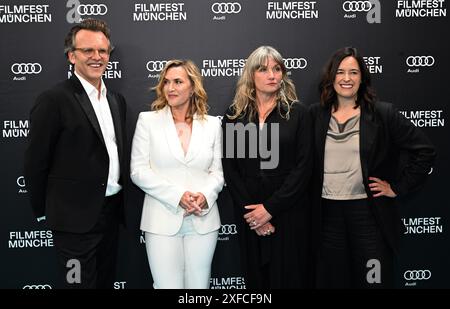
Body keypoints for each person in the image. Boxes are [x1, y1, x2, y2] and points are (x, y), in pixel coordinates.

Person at [310, 47, 436, 288]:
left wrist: (398, 187)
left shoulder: (382, 113)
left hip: (369, 216)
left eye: (353, 72)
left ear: (362, 78)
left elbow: (425, 151)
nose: (347, 78)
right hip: (327, 217)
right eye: (341, 72)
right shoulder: (315, 115)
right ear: (331, 77)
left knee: (373, 282)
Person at [24, 18, 127, 289]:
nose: (97, 57)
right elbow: (36, 162)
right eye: (88, 51)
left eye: (103, 51)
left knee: (105, 282)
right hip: (73, 221)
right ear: (72, 56)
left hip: (111, 213)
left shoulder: (116, 100)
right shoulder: (54, 99)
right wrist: (45, 211)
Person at [221, 46, 312, 288]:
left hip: (288, 214)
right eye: (263, 69)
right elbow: (230, 169)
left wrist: (270, 209)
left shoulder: (298, 114)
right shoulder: (234, 116)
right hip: (249, 216)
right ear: (251, 75)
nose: (272, 75)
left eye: (277, 69)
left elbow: (304, 168)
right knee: (256, 282)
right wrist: (254, 216)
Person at [130, 59, 224, 289]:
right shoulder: (148, 121)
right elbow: (138, 171)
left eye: (178, 82)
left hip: (203, 219)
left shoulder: (212, 124)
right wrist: (178, 196)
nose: (170, 88)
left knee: (199, 287)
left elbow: (218, 173)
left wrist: (204, 195)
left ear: (193, 87)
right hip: (162, 220)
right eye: (166, 82)